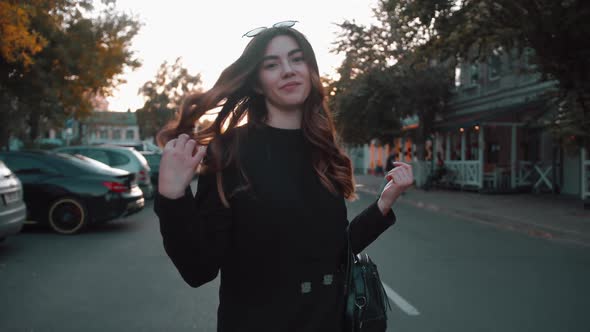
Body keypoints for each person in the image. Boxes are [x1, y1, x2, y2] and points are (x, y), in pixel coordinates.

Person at [154, 21, 413, 332]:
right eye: (272, 64)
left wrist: (383, 205)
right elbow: (199, 269)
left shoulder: (323, 150)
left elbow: (333, 252)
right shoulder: (229, 151)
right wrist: (172, 196)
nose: (288, 70)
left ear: (310, 70)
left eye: (297, 58)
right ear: (257, 83)